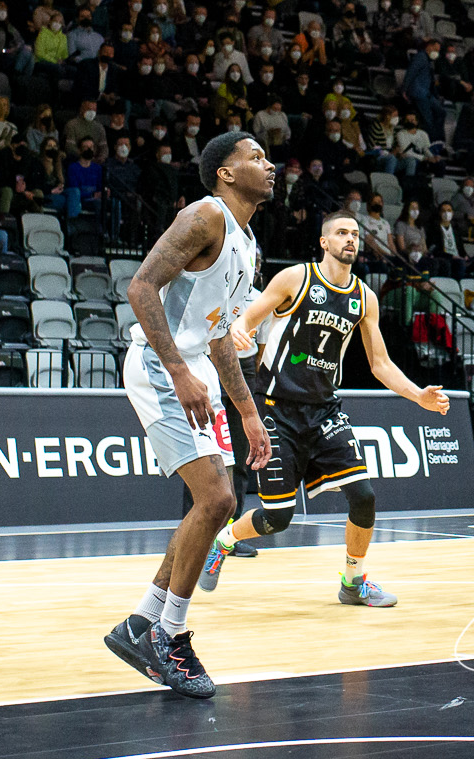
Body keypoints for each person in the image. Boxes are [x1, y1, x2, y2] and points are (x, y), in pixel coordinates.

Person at [101, 132, 276, 701]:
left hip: (195, 366)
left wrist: (248, 412)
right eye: (254, 157)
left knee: (215, 500)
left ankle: (141, 625)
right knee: (218, 501)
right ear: (224, 174)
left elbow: (222, 332)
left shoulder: (247, 243)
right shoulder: (205, 215)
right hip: (160, 364)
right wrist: (177, 370)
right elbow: (140, 286)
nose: (268, 164)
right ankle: (168, 636)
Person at [200, 211, 450, 604]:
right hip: (276, 409)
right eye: (341, 233)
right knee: (276, 519)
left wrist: (419, 395)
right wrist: (240, 334)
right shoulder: (295, 279)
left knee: (364, 495)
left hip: (325, 412)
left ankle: (353, 582)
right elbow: (245, 321)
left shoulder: (365, 298)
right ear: (324, 242)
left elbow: (380, 364)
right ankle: (224, 540)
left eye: (354, 234)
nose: (350, 239)